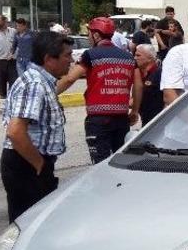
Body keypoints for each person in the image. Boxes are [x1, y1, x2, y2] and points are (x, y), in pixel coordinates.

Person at [0, 32, 74, 222]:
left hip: (31, 163)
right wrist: (39, 165)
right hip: (26, 164)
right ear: (49, 59)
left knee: (39, 222)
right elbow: (16, 132)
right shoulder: (35, 84)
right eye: (67, 55)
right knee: (28, 224)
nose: (71, 61)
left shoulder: (43, 81)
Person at [57, 17, 140, 164]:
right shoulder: (128, 57)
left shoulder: (91, 55)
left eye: (89, 33)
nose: (88, 37)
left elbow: (70, 78)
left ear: (96, 35)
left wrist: (49, 92)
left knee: (99, 164)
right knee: (121, 163)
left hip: (98, 120)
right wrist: (134, 110)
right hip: (121, 119)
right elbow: (138, 85)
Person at [133, 43, 163, 126]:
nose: (135, 58)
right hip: (145, 119)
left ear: (149, 58)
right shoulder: (139, 74)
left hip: (157, 121)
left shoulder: (159, 74)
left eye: (138, 55)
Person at [0, 15, 18, 98]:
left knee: (14, 81)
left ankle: (12, 98)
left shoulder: (13, 31)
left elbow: (18, 45)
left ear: (5, 21)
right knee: (1, 82)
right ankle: (3, 98)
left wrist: (14, 54)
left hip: (12, 61)